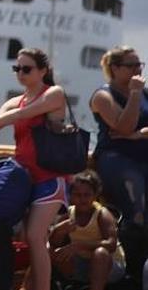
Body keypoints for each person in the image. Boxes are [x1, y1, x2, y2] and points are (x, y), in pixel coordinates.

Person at [0, 47, 69, 290]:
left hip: (49, 178)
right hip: (23, 178)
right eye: (17, 68)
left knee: (35, 237)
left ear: (43, 71)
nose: (20, 73)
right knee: (26, 238)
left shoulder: (54, 94)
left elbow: (23, 113)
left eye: (26, 69)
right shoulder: (14, 101)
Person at [91, 45, 147, 228]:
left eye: (139, 65)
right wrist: (135, 94)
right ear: (115, 68)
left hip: (143, 156)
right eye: (131, 65)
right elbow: (124, 128)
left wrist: (138, 134)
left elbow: (131, 131)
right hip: (116, 158)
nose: (137, 70)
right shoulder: (103, 96)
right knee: (136, 204)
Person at [51, 170, 126, 290]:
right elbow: (54, 243)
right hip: (83, 264)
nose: (82, 199)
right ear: (71, 196)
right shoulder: (68, 214)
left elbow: (111, 245)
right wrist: (58, 231)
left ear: (95, 195)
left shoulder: (102, 214)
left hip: (110, 266)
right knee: (48, 249)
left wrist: (79, 245)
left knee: (100, 253)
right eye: (77, 195)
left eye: (87, 195)